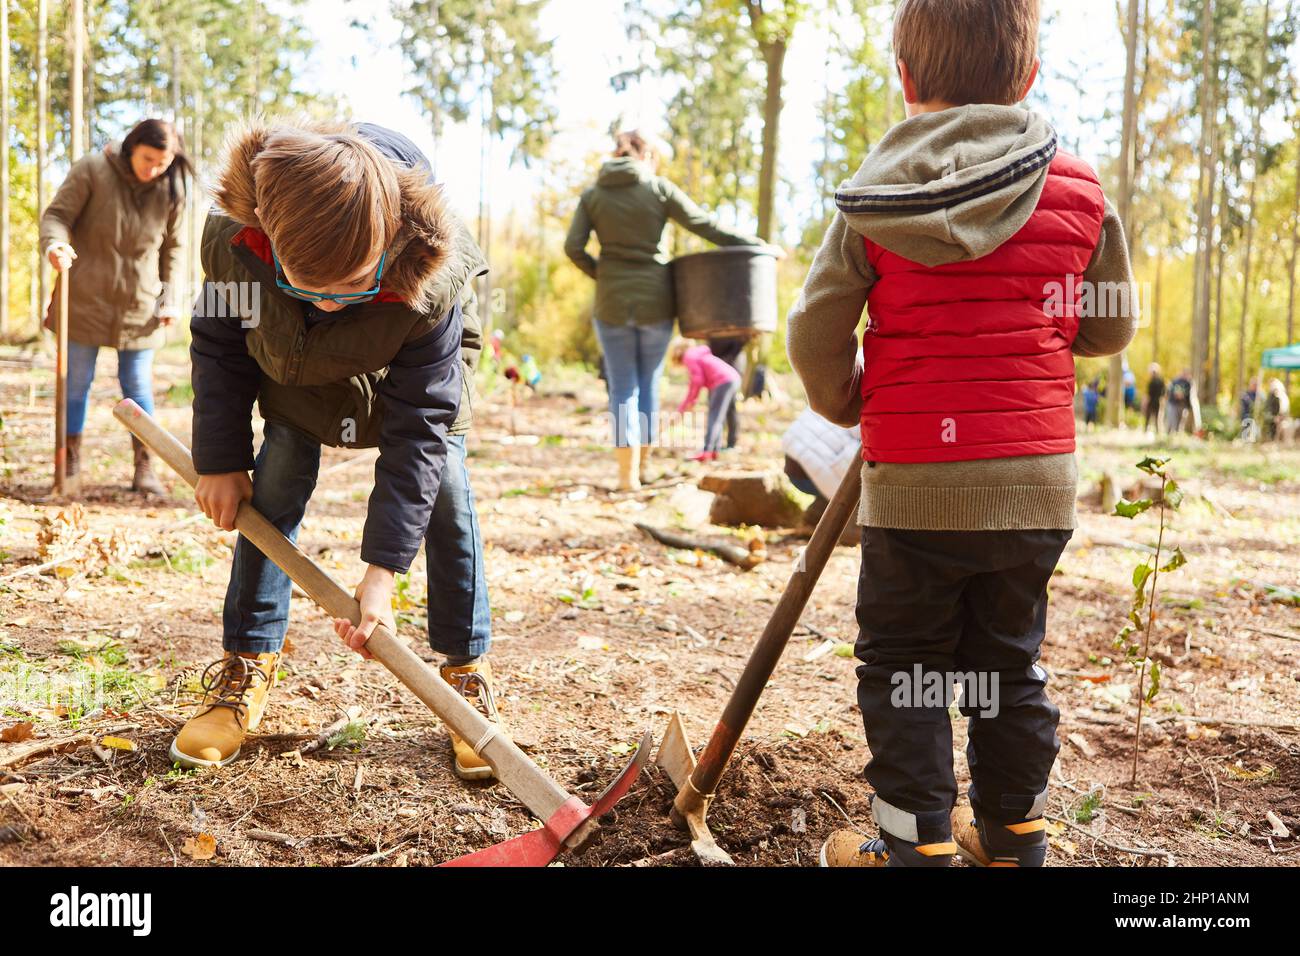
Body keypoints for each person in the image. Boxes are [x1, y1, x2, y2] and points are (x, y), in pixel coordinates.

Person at [787, 0, 1138, 867]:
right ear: (1027, 77)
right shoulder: (1078, 188)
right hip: (1032, 485)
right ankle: (1015, 832)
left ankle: (915, 846)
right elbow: (1111, 322)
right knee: (1007, 661)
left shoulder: (877, 194)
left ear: (905, 80)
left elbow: (813, 330)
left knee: (908, 663)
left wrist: (847, 400)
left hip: (915, 487)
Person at [181, 118, 504, 783]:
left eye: (348, 286)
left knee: (444, 488)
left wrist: (383, 572)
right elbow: (219, 346)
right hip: (290, 366)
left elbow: (419, 429)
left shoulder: (428, 283)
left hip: (405, 376)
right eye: (308, 287)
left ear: (385, 246)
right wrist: (218, 458)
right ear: (270, 241)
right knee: (274, 485)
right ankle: (247, 662)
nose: (327, 304)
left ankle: (464, 673)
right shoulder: (237, 245)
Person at [564, 129, 763, 491]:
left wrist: (603, 274)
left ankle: (627, 477)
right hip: (657, 302)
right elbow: (705, 225)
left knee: (622, 387)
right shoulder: (658, 188)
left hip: (611, 304)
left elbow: (573, 247)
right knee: (648, 384)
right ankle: (643, 469)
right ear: (648, 156)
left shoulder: (593, 195)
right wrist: (757, 245)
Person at [39, 118, 193, 493]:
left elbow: (173, 249)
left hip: (139, 307)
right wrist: (54, 245)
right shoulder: (92, 170)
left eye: (162, 162)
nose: (154, 169)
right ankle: (69, 465)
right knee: (75, 385)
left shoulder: (171, 188)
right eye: (147, 159)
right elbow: (57, 216)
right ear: (131, 147)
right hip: (83, 301)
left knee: (137, 387)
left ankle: (145, 468)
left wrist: (168, 297)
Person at [671, 339, 741, 462]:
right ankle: (714, 450)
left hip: (723, 381)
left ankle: (707, 451)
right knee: (720, 416)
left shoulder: (689, 356)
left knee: (714, 416)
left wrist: (688, 404)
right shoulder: (697, 354)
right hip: (732, 378)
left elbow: (697, 381)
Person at [1167, 369, 1192, 434]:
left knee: (1180, 420)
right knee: (1172, 419)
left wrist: (1188, 405)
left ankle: (1177, 433)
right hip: (1173, 403)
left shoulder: (1188, 383)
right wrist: (1176, 395)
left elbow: (1188, 395)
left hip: (1182, 404)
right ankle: (1171, 433)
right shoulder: (1175, 381)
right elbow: (1170, 391)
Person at [1144, 363, 1165, 433]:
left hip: (1152, 401)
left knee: (1149, 417)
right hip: (1157, 401)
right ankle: (1157, 431)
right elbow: (1164, 392)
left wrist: (1146, 402)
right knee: (1156, 417)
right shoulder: (1161, 380)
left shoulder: (1152, 381)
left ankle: (1147, 430)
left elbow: (1149, 393)